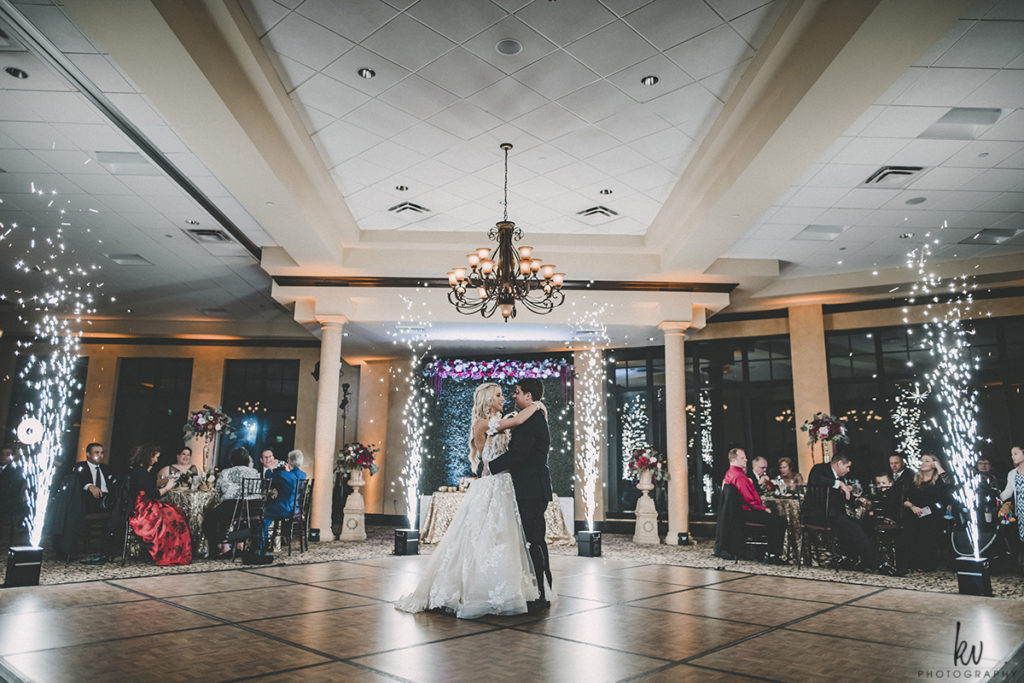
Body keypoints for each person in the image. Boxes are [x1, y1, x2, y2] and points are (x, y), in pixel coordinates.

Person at [397, 381, 547, 618]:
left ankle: (508, 587)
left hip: (505, 485)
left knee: (505, 538)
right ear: (488, 400)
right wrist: (537, 406)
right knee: (485, 536)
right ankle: (480, 589)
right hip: (493, 485)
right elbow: (517, 421)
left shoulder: (498, 422)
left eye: (505, 394)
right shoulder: (484, 424)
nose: (504, 398)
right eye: (498, 395)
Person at [806, 453, 903, 576]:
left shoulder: (839, 477)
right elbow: (816, 479)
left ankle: (851, 559)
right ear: (839, 463)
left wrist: (857, 500)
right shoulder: (819, 469)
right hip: (817, 515)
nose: (848, 470)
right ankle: (880, 564)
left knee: (863, 524)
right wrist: (839, 484)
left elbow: (845, 498)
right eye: (847, 467)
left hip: (834, 515)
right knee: (853, 527)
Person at [125, 443, 192, 566]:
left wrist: (166, 479)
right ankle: (170, 554)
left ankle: (174, 552)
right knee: (175, 518)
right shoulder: (140, 472)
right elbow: (153, 494)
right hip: (142, 510)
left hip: (145, 505)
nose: (156, 460)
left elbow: (148, 485)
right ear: (147, 456)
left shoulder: (140, 471)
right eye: (155, 457)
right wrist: (168, 487)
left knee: (176, 513)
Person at [720, 448, 787, 564]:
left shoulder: (729, 474)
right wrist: (763, 509)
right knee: (779, 521)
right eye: (742, 458)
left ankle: (769, 553)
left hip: (737, 514)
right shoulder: (738, 476)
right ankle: (772, 554)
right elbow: (749, 499)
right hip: (745, 513)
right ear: (733, 460)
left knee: (775, 519)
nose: (746, 460)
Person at [207, 447, 260, 557]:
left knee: (211, 519)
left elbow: (218, 490)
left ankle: (224, 547)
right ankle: (239, 544)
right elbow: (257, 490)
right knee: (242, 520)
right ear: (247, 460)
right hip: (253, 507)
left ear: (232, 460)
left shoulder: (226, 472)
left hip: (232, 506)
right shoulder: (254, 472)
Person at [263, 450, 308, 547]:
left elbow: (268, 476)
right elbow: (292, 477)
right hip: (296, 509)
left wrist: (270, 467)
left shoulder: (284, 475)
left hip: (284, 509)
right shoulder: (303, 475)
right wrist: (288, 469)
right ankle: (273, 543)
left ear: (289, 461)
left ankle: (263, 544)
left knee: (264, 517)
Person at [74, 443, 115, 514]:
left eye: (102, 453)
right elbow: (79, 480)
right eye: (96, 453)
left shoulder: (107, 469)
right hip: (89, 500)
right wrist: (90, 486)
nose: (100, 456)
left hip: (107, 500)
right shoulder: (80, 467)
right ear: (88, 454)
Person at [0, 445, 28, 548]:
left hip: (9, 503)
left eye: (7, 455)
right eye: (2, 454)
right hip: (5, 502)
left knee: (7, 525)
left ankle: (6, 545)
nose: (3, 457)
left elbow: (14, 489)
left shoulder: (15, 470)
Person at [999, 446, 1024, 544]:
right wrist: (997, 498)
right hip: (1021, 513)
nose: (1013, 456)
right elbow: (1008, 491)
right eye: (1012, 454)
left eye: (1016, 454)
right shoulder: (1012, 474)